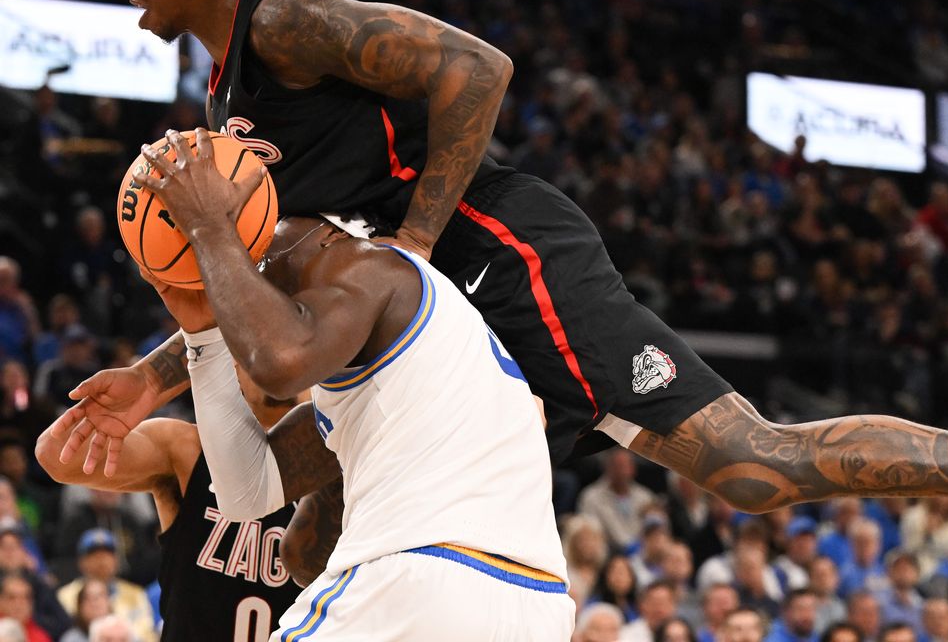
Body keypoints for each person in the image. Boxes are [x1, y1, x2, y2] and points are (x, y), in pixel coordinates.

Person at [75, 0, 948, 570]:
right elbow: (264, 287)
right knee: (324, 528)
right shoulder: (223, 97)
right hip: (403, 323)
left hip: (492, 261)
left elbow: (478, 69)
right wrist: (153, 374)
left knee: (755, 460)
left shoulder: (289, 18)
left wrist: (412, 244)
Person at [55, 129, 571, 639]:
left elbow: (277, 359)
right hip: (535, 607)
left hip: (425, 574)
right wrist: (201, 337)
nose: (257, 271)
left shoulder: (374, 267)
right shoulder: (407, 377)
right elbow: (246, 494)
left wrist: (210, 228)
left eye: (266, 253)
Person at [35, 362, 305, 640]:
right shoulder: (186, 449)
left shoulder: (341, 471)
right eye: (260, 341)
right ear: (233, 361)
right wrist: (154, 376)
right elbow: (57, 454)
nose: (280, 356)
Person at [50, 530, 153, 642]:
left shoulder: (135, 594)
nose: (101, 561)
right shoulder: (65, 596)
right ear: (81, 561)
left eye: (106, 555)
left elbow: (147, 635)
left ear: (116, 560)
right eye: (94, 555)